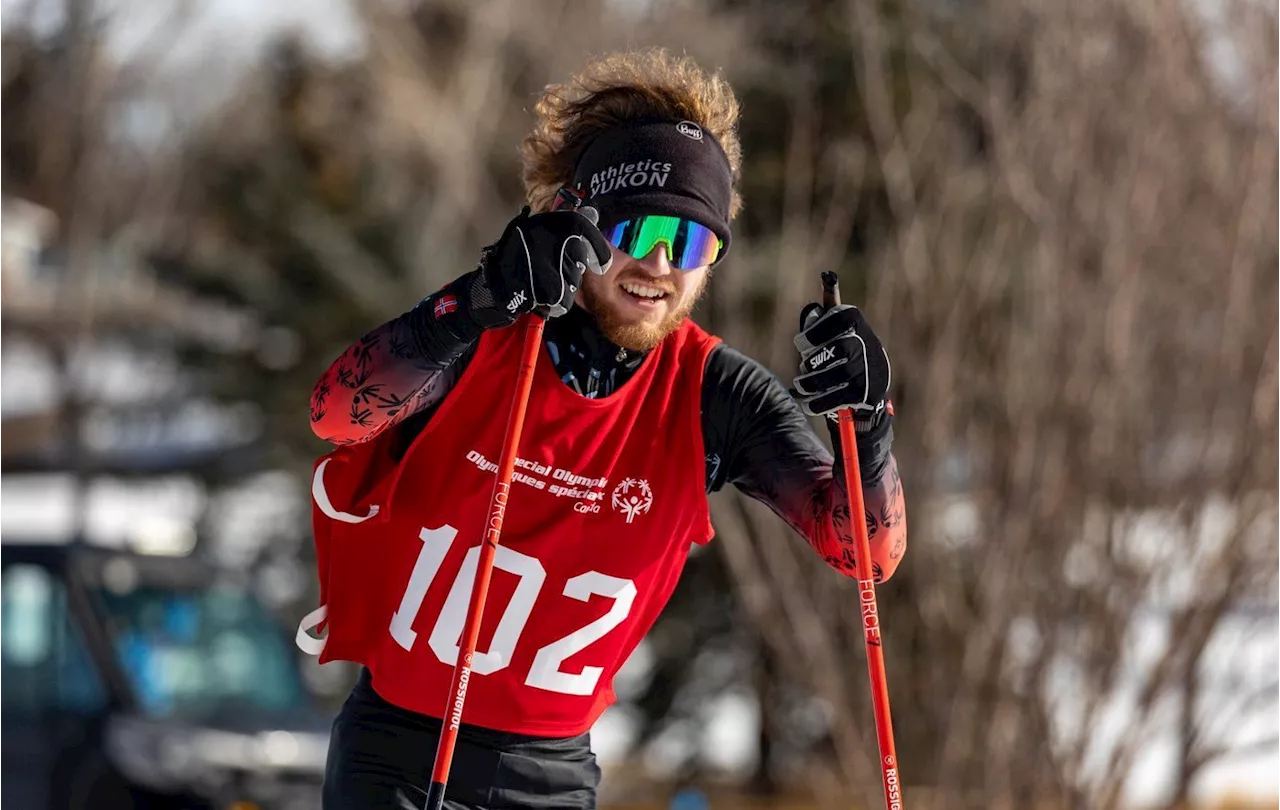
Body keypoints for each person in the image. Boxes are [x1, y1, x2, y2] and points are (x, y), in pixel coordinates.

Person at [301, 48, 908, 810]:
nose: (658, 263)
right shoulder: (489, 335)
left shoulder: (712, 392)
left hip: (552, 774)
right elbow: (334, 412)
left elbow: (865, 554)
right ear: (581, 223)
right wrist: (474, 300)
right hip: (400, 751)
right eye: (639, 228)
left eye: (690, 243)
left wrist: (869, 426)